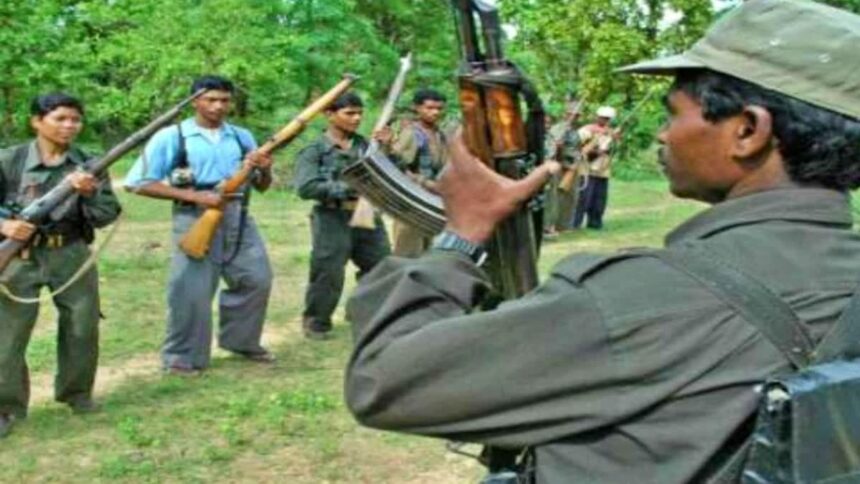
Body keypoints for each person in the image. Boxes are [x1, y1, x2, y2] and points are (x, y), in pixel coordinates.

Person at [343, 1, 860, 482]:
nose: (662, 135)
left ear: (747, 131)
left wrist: (460, 237)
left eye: (673, 113)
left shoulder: (645, 297)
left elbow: (385, 380)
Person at [125, 75, 275, 375]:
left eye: (224, 100)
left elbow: (261, 186)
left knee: (257, 279)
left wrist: (265, 169)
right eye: (211, 99)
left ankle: (241, 341)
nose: (218, 106)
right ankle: (181, 357)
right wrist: (195, 196)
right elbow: (137, 182)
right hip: (194, 217)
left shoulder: (242, 137)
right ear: (195, 101)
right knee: (191, 291)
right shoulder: (173, 136)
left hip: (238, 215)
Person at [0, 93, 122, 437]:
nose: (69, 126)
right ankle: (6, 406)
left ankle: (77, 394)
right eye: (60, 118)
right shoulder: (9, 160)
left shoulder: (89, 163)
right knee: (8, 332)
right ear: (37, 122)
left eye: (75, 119)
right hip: (19, 256)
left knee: (82, 325)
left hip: (71, 252)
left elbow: (106, 215)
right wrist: (5, 225)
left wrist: (89, 194)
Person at [293, 92, 391, 340]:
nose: (356, 118)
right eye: (349, 113)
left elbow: (392, 172)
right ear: (329, 114)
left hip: (366, 213)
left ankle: (365, 314)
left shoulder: (367, 146)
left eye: (359, 114)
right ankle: (316, 322)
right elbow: (306, 187)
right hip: (331, 215)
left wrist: (388, 148)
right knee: (328, 271)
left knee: (380, 267)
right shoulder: (315, 150)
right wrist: (350, 187)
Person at [385, 88, 448, 257]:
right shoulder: (412, 133)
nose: (435, 112)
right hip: (411, 202)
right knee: (408, 253)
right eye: (430, 108)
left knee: (428, 253)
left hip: (432, 202)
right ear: (417, 108)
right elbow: (397, 168)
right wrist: (425, 183)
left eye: (439, 108)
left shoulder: (440, 134)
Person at [572, 106, 619, 230]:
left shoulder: (611, 132)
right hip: (587, 169)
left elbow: (612, 150)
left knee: (599, 199)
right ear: (597, 117)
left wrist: (614, 139)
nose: (605, 120)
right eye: (603, 118)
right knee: (583, 199)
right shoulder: (586, 130)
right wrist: (595, 151)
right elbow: (577, 147)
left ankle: (595, 223)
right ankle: (575, 223)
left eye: (608, 119)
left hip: (603, 170)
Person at [547, 104, 584, 233]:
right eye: (571, 114)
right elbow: (554, 148)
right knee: (557, 197)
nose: (574, 117)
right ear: (565, 114)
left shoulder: (574, 130)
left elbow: (577, 147)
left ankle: (565, 224)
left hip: (573, 165)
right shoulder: (558, 128)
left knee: (571, 197)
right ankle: (552, 225)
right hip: (561, 165)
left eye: (577, 115)